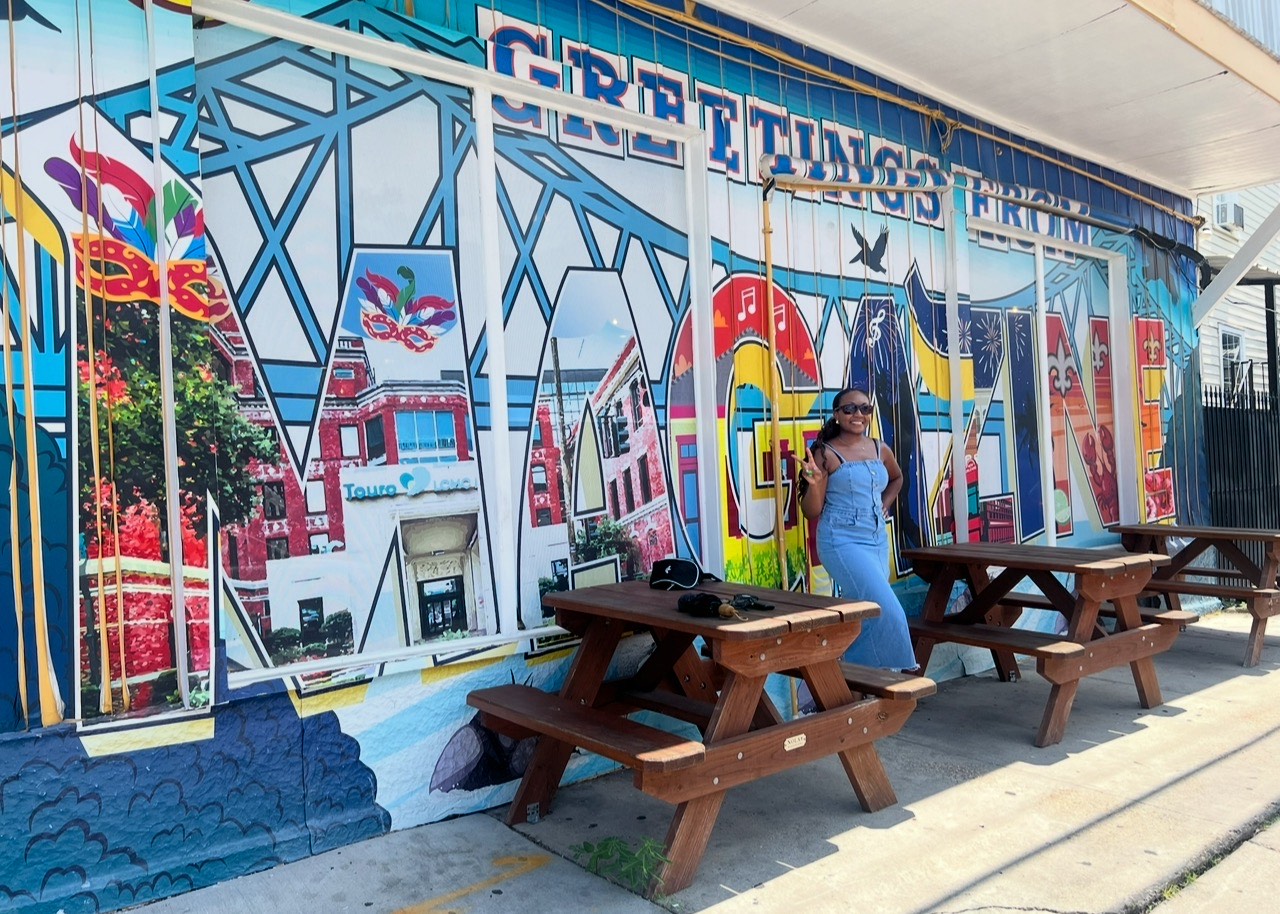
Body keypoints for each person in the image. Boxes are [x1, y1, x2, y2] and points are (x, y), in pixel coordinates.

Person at [797, 387, 917, 670]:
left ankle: (857, 683)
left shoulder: (879, 448)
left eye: (865, 408)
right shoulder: (825, 453)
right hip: (841, 540)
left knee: (864, 612)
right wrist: (813, 485)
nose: (858, 414)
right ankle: (890, 678)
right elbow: (810, 511)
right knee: (887, 609)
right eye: (849, 409)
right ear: (837, 415)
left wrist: (884, 503)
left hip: (876, 539)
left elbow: (897, 478)